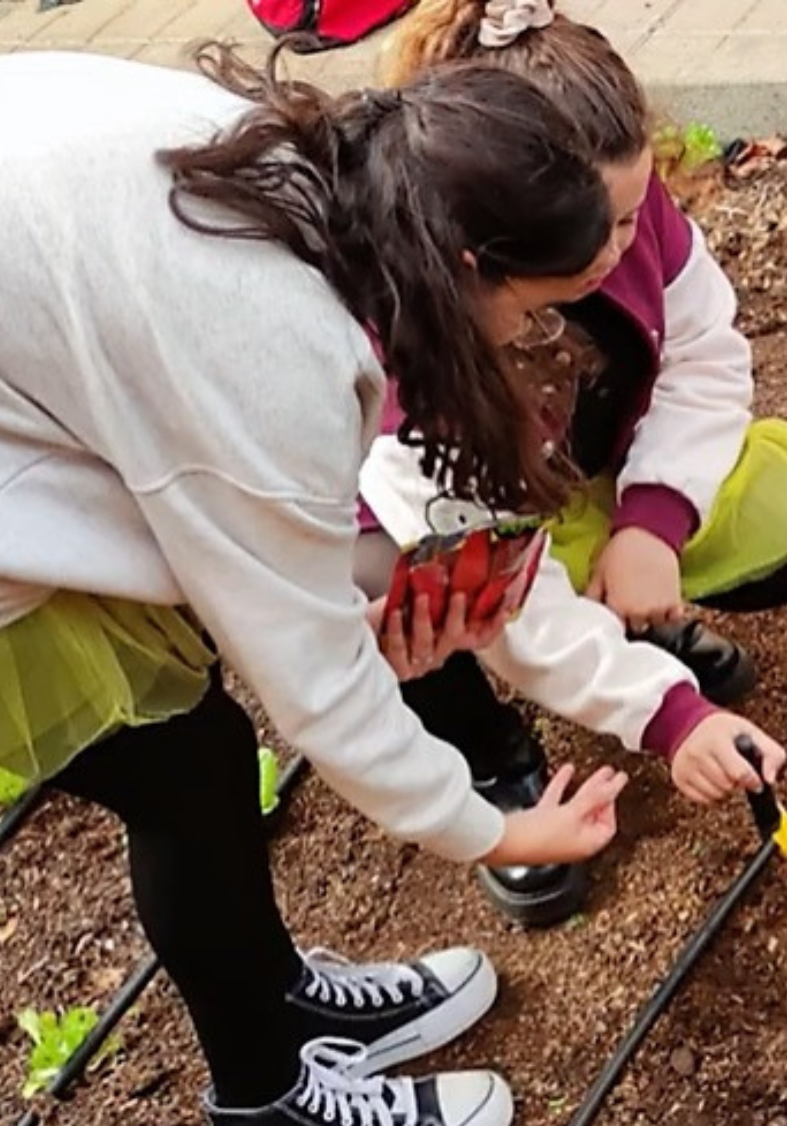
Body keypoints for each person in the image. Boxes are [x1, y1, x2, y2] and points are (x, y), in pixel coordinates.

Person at [0, 43, 634, 1126]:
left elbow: (230, 535)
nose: (525, 336)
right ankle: (270, 1096)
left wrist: (349, 610)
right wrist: (494, 831)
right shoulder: (264, 339)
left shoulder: (309, 164)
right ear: (468, 263)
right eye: (529, 306)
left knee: (188, 757)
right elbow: (314, 685)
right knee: (175, 768)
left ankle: (276, 1008)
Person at [353, 0, 787, 927]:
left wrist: (653, 522)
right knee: (387, 592)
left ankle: (636, 622)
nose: (616, 250)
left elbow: (705, 354)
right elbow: (508, 594)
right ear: (483, 246)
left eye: (633, 218)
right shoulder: (406, 361)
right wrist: (669, 718)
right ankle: (493, 762)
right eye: (599, 231)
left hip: (575, 482)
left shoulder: (625, 214)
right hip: (450, 526)